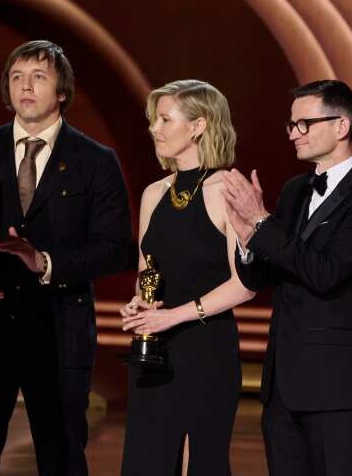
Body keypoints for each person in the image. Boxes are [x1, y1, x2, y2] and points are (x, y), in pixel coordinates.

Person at [0, 40, 131, 476]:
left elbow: (114, 247)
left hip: (60, 327)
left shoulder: (94, 160)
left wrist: (47, 262)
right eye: (16, 77)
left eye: (38, 77)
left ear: (61, 91)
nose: (25, 87)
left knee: (61, 454)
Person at [222, 80, 352, 476]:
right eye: (291, 125)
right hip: (282, 386)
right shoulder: (295, 190)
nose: (293, 133)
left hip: (336, 386)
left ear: (341, 126)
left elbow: (325, 273)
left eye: (304, 124)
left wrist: (262, 221)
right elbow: (258, 277)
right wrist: (247, 238)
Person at [119, 79, 255, 475]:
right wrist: (138, 306)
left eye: (164, 119)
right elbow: (148, 273)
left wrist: (173, 316)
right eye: (153, 119)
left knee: (204, 463)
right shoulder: (153, 193)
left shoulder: (227, 189)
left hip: (206, 350)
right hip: (153, 351)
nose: (154, 128)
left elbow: (243, 284)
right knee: (146, 460)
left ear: (198, 125)